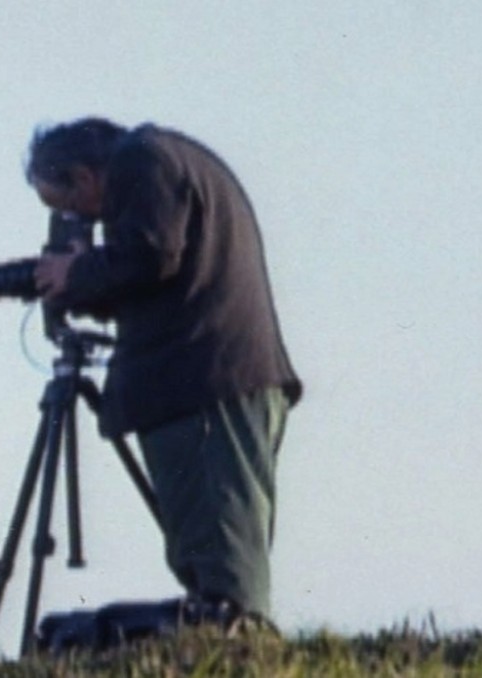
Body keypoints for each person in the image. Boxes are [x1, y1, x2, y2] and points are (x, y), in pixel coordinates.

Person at [28, 117, 302, 625]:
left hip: (206, 388)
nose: (79, 220)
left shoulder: (141, 159)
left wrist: (80, 272)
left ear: (86, 178)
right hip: (213, 382)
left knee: (227, 588)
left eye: (68, 207)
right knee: (209, 565)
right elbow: (161, 277)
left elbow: (153, 255)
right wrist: (89, 281)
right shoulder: (164, 158)